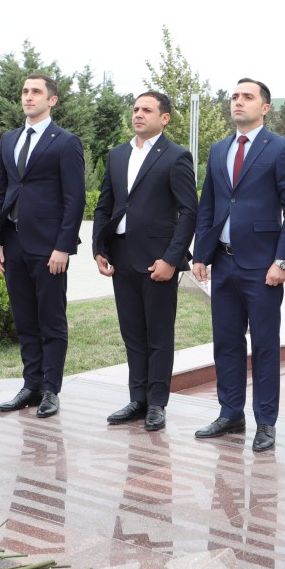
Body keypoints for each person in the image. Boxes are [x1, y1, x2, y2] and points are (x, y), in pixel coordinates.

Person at [193, 78, 285, 452]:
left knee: (266, 345)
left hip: (262, 267)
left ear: (265, 107)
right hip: (222, 263)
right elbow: (209, 202)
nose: (238, 102)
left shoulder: (281, 149)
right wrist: (200, 253)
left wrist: (282, 260)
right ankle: (230, 413)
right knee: (226, 342)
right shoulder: (218, 149)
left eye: (247, 97)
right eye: (235, 97)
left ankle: (266, 422)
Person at [92, 92, 198, 432]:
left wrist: (172, 259)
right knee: (132, 333)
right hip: (121, 258)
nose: (138, 114)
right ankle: (137, 398)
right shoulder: (117, 155)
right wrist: (99, 248)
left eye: (147, 110)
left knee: (158, 335)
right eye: (136, 109)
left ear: (164, 118)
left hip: (158, 262)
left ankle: (156, 403)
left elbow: (188, 212)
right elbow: (104, 206)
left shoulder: (177, 156)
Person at [0, 74, 85, 417]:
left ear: (52, 100)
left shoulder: (66, 142)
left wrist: (64, 246)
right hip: (12, 243)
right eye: (25, 91)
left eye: (36, 92)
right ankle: (30, 385)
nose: (28, 97)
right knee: (25, 319)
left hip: (49, 249)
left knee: (52, 321)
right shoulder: (9, 139)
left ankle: (50, 390)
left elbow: (75, 200)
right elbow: (0, 191)